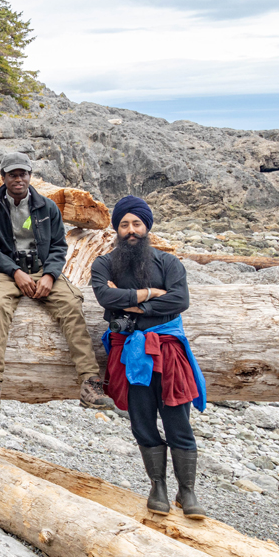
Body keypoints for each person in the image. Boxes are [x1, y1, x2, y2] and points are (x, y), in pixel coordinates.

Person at [91, 195, 208, 519]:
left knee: (177, 420)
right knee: (142, 421)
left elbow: (180, 300)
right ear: (117, 228)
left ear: (147, 228)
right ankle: (158, 486)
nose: (131, 230)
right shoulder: (104, 264)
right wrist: (150, 295)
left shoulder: (168, 263)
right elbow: (104, 295)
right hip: (131, 356)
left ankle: (187, 492)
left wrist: (131, 305)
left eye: (136, 224)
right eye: (124, 224)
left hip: (169, 353)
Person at [0, 153, 113, 412]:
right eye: (12, 174)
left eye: (23, 174)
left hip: (42, 269)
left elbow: (60, 246)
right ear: (3, 177)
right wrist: (15, 271)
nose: (18, 179)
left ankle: (89, 382)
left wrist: (50, 275)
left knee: (72, 305)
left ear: (30, 175)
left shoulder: (47, 206)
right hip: (6, 271)